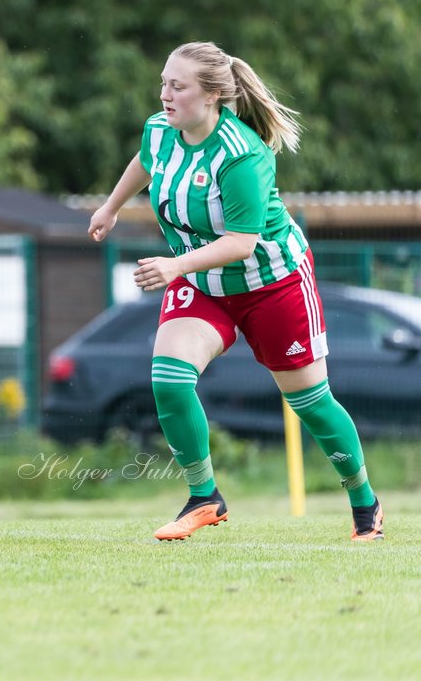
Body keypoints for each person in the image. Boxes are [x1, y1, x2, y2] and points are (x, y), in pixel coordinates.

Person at [88, 41, 383, 542]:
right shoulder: (161, 130)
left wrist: (174, 264)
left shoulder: (242, 153)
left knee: (311, 402)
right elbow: (145, 160)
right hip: (204, 283)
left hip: (273, 284)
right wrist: (112, 206)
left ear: (211, 96)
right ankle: (205, 498)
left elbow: (242, 243)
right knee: (168, 378)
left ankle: (364, 504)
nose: (164, 94)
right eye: (163, 82)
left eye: (177, 86)